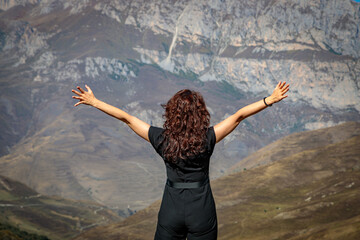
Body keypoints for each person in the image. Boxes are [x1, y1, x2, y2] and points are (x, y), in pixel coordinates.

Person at [71, 81, 289, 240]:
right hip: (201, 210)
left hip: (171, 210)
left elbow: (127, 118)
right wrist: (269, 99)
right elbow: (239, 116)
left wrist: (95, 102)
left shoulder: (161, 138)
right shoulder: (208, 138)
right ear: (200, 114)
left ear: (172, 113)